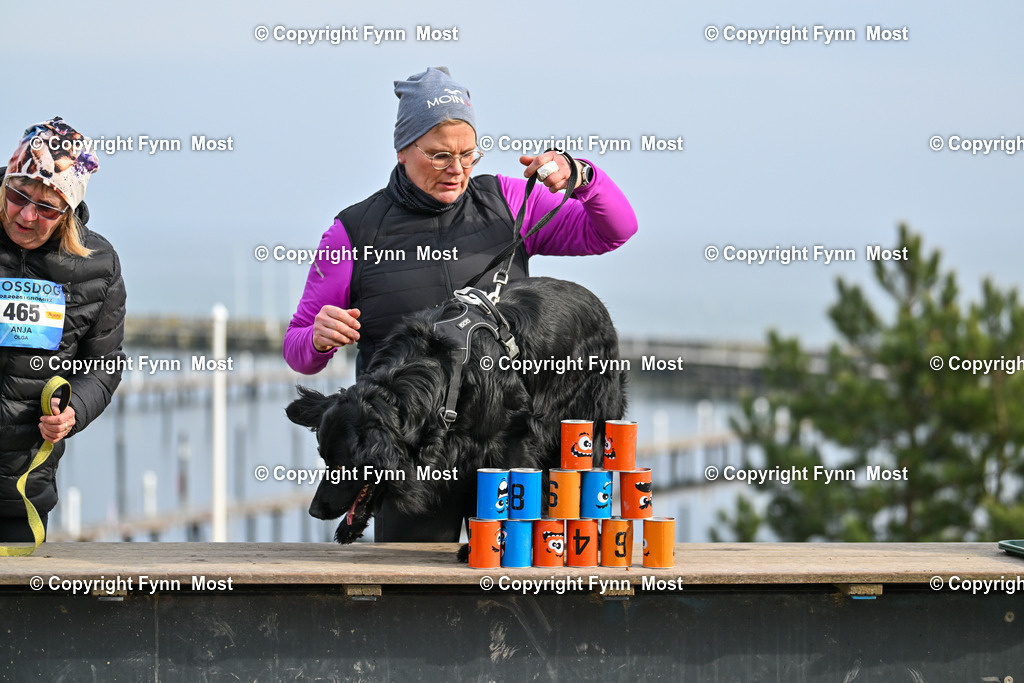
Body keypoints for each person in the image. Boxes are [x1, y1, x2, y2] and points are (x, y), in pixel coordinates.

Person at [284, 67, 637, 542]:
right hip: (409, 460)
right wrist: (317, 337)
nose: (457, 169)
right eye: (440, 155)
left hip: (511, 446)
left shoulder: (507, 201)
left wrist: (582, 177)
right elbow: (298, 350)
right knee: (417, 608)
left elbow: (614, 229)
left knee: (525, 602)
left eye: (468, 154)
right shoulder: (353, 232)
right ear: (402, 151)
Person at [0, 117, 126, 543]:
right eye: (19, 196)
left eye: (48, 207)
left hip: (20, 488)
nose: (27, 215)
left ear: (68, 211)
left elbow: (104, 366)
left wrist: (74, 413)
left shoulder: (98, 266)